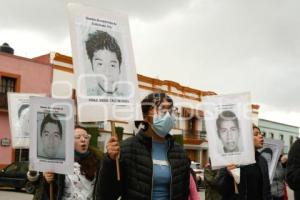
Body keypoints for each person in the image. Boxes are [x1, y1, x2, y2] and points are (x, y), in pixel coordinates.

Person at [95, 92, 190, 200]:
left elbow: (184, 194)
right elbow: (105, 195)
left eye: (171, 110)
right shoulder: (126, 149)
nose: (168, 114)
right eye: (162, 109)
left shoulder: (180, 153)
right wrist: (110, 161)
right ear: (145, 116)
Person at [28, 125, 103, 200]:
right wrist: (47, 179)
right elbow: (45, 188)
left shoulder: (98, 160)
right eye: (78, 137)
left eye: (86, 137)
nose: (83, 140)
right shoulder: (58, 160)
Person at [217, 124, 272, 200]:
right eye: (256, 134)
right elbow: (221, 190)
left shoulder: (262, 160)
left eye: (260, 134)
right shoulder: (232, 159)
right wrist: (228, 175)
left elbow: (267, 189)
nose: (261, 136)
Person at [85, 30, 123, 96]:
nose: (107, 73)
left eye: (112, 65)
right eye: (100, 64)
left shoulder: (128, 100)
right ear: (92, 67)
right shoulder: (85, 96)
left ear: (119, 69)